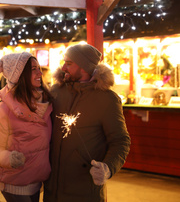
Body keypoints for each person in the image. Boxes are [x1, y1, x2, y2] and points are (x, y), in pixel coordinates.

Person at [43, 43, 131, 202]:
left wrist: (107, 168)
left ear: (84, 67)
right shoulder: (56, 92)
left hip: (84, 191)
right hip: (52, 190)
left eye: (69, 63)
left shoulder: (107, 100)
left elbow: (120, 141)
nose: (63, 67)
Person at [0, 52, 53, 202]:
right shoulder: (4, 111)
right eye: (33, 69)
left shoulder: (45, 104)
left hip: (36, 180)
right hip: (14, 181)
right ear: (19, 75)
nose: (40, 72)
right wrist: (9, 159)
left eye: (39, 68)